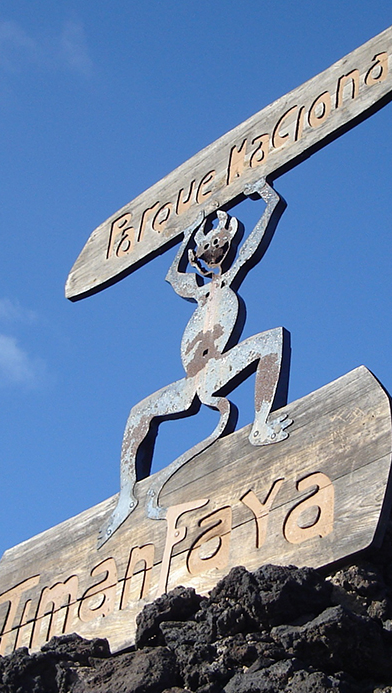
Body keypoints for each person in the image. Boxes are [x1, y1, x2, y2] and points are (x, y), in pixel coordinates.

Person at [98, 179, 291, 546]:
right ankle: (126, 496)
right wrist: (187, 235)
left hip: (219, 367)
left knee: (273, 340)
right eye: (207, 246)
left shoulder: (229, 280)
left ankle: (261, 425)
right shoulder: (197, 291)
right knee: (138, 414)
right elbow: (173, 276)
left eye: (219, 243)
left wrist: (268, 198)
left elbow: (252, 245)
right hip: (190, 380)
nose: (214, 249)